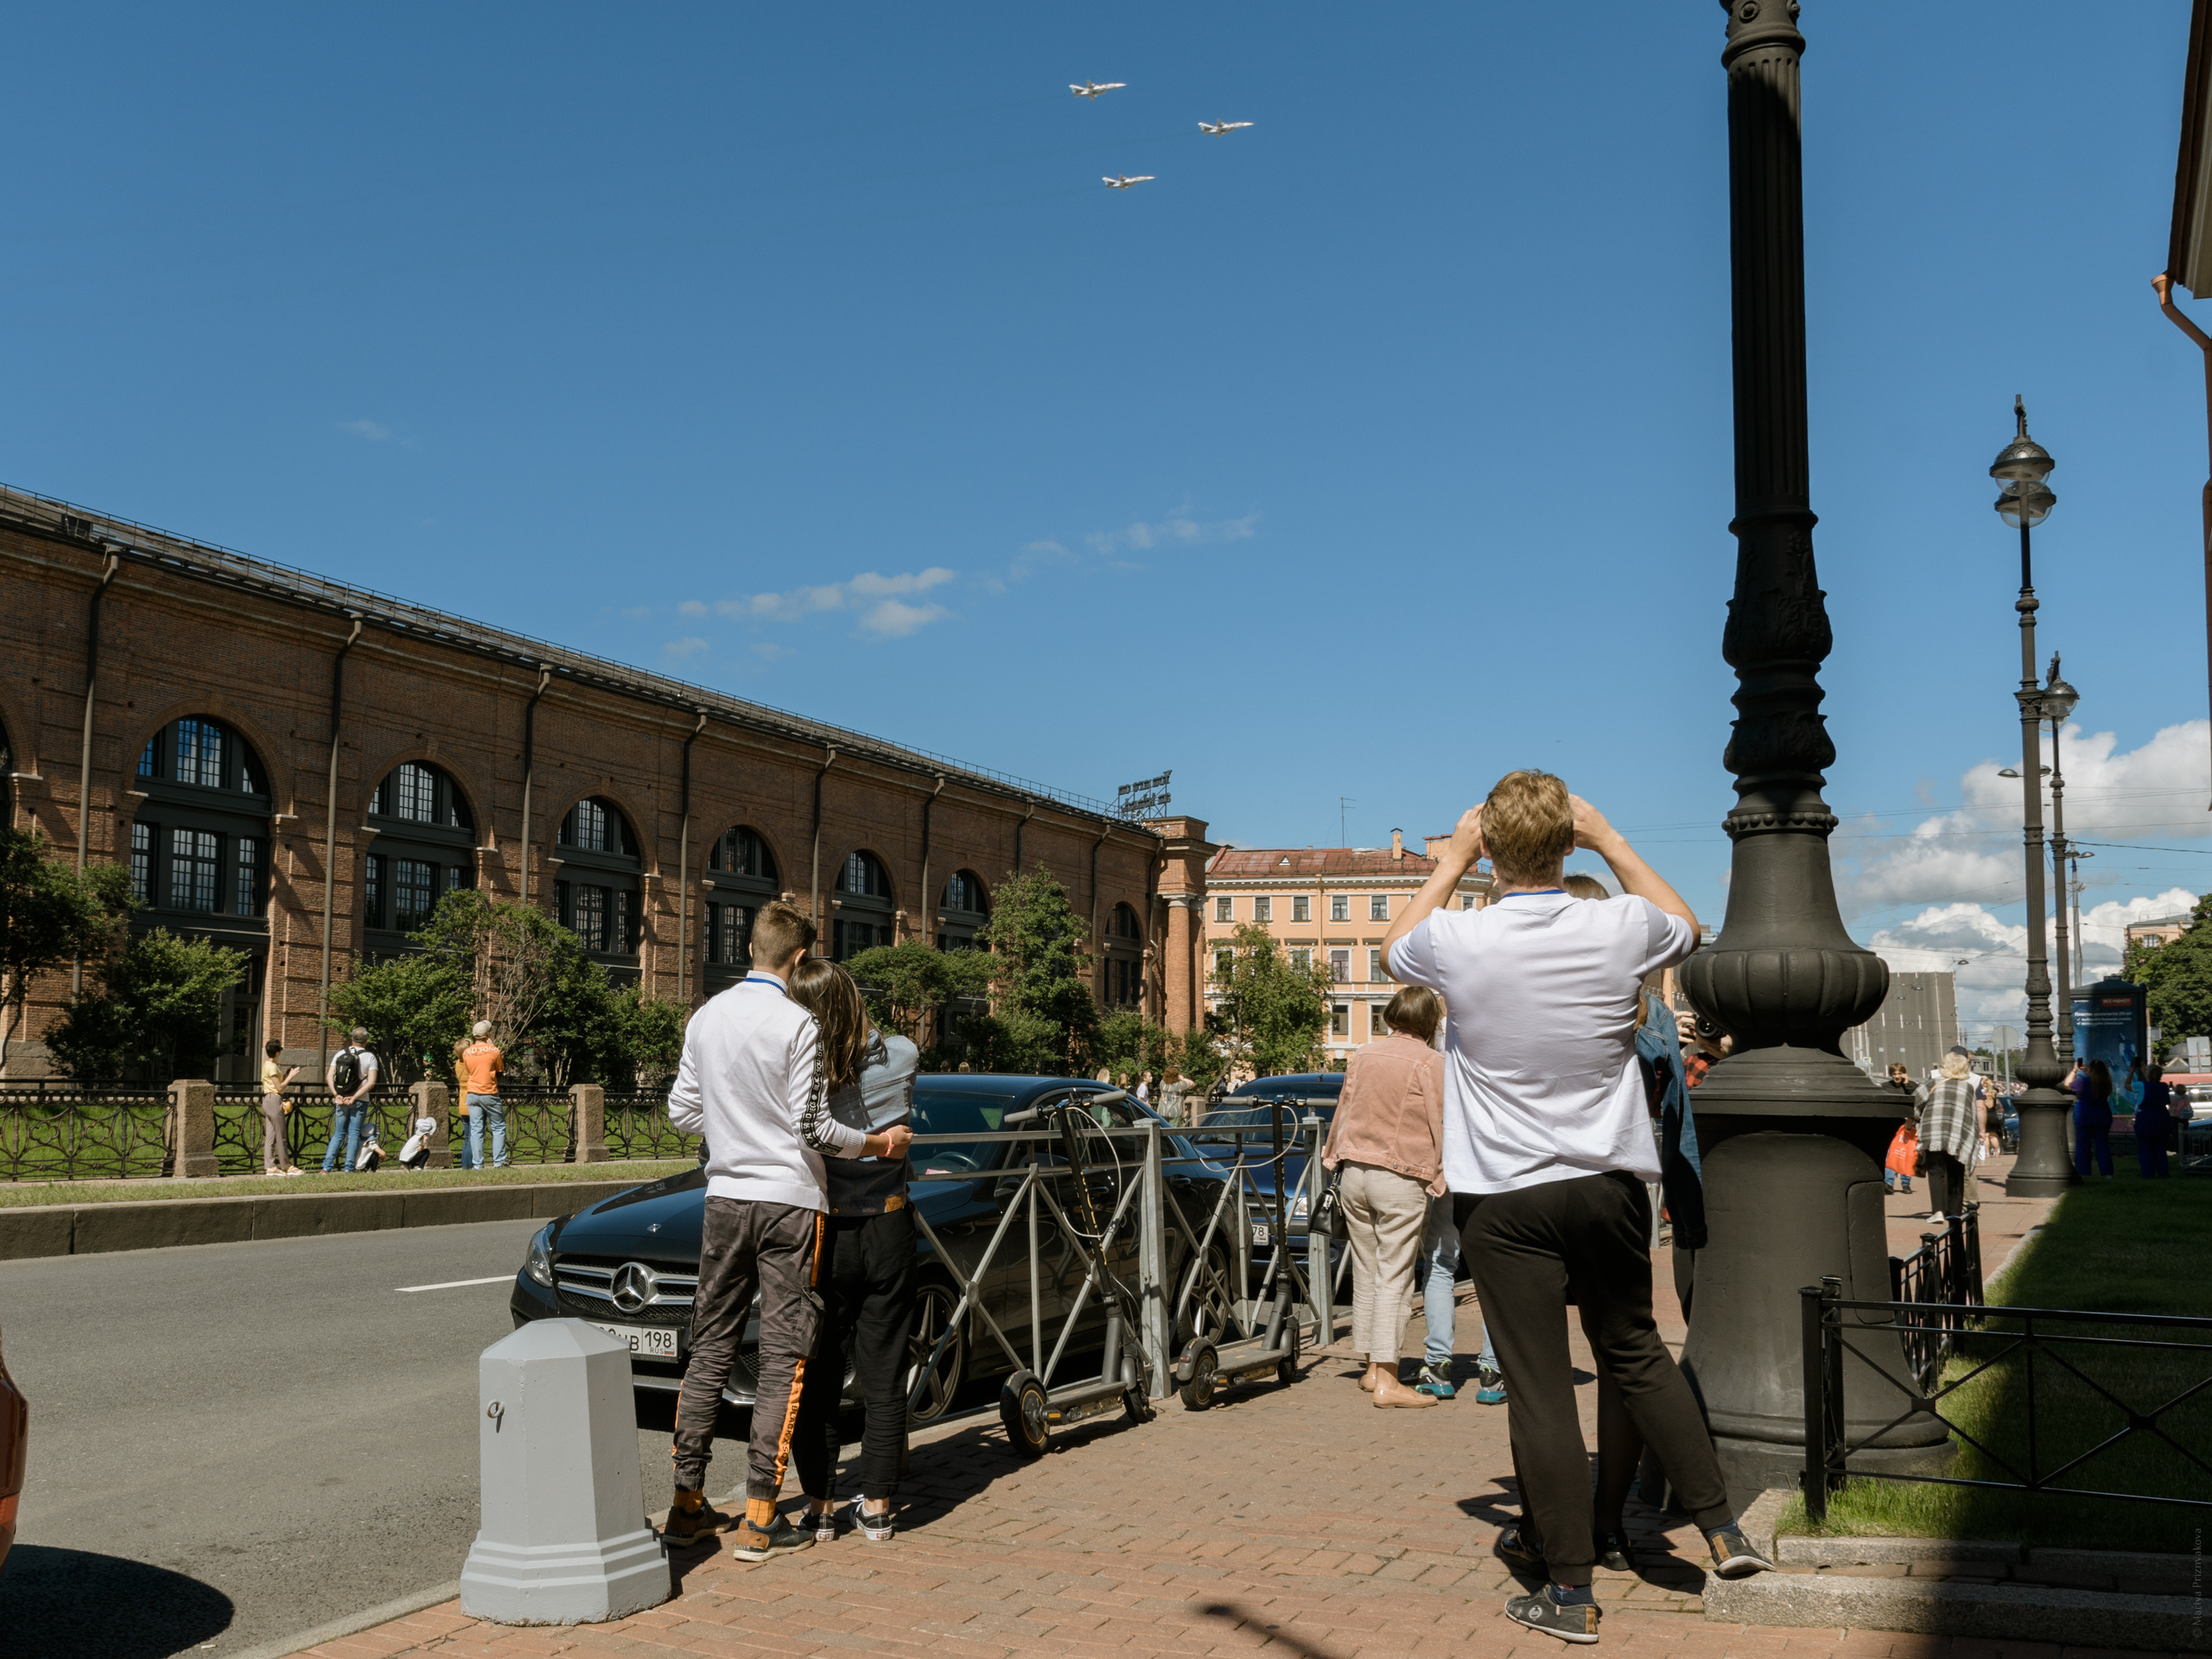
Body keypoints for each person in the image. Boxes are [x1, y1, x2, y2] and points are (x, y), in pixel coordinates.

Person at [1382, 772, 1771, 1643]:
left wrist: (1449, 860)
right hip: (1608, 1184)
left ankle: (1569, 1592)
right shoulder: (1618, 926)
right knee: (1635, 1352)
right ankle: (1720, 1530)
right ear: (1568, 843)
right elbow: (1687, 926)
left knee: (1538, 1392)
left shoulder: (1459, 939)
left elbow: (1392, 949)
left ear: (1490, 847)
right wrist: (1613, 840)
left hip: (1504, 1194)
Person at [663, 900, 913, 1560]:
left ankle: (686, 1503)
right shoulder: (797, 1022)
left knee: (709, 1342)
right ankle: (759, 1514)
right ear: (799, 957)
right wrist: (880, 1145)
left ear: (751, 946)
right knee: (783, 1353)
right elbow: (814, 1130)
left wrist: (732, 1124)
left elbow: (681, 1110)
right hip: (789, 1201)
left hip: (724, 1196)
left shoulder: (706, 1015)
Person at [785, 959, 922, 1543]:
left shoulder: (801, 1072)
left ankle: (819, 1508)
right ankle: (878, 1506)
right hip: (888, 1228)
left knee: (818, 1373)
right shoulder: (905, 1055)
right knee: (884, 1373)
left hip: (826, 1232)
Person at [1321, 983, 1449, 1410]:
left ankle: (1372, 1368)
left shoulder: (1364, 1053)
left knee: (1368, 1269)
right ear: (1430, 1022)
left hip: (1354, 1171)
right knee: (1396, 1276)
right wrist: (1441, 1173)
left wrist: (1332, 1155)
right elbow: (1440, 1120)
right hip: (1400, 1175)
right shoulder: (1432, 1062)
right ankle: (1388, 1381)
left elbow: (1345, 1106)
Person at [1915, 1048, 1981, 1218]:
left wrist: (1916, 1119)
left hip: (1933, 1135)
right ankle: (1955, 1213)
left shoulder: (1933, 1083)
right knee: (1956, 1172)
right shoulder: (1967, 1088)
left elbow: (1915, 1102)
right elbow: (1971, 1114)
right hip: (1958, 1137)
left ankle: (1937, 1211)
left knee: (1936, 1172)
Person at [321, 1028, 378, 1173]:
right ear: (366, 1040)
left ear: (351, 1038)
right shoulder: (370, 1057)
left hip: (340, 1099)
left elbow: (329, 1076)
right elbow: (371, 1082)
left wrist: (336, 1094)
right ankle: (349, 1168)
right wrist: (354, 1097)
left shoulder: (340, 1053)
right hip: (360, 1100)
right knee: (353, 1133)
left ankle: (326, 1168)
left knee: (338, 1133)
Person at [460, 1021, 507, 1169]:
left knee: (476, 1129)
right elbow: (500, 1072)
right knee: (498, 1127)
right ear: (487, 1035)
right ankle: (498, 1162)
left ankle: (478, 1165)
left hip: (472, 1094)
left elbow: (470, 1072)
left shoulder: (466, 1052)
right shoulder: (494, 1051)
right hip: (489, 1093)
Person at [260, 1040, 302, 1176]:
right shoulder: (271, 1067)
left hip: (268, 1099)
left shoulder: (267, 1064)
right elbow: (280, 1087)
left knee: (271, 1137)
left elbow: (277, 1082)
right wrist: (290, 1076)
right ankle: (287, 1166)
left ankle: (270, 1167)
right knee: (281, 1135)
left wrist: (286, 1074)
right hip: (274, 1101)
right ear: (277, 1053)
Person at [2074, 1058, 2116, 1179]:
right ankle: (2107, 1173)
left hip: (2084, 1115)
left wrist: (2075, 1071)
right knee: (2102, 1145)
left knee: (2083, 1145)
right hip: (2102, 1115)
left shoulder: (2083, 1081)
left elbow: (2067, 1084)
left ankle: (2083, 1172)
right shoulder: (2106, 1082)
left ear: (2090, 1069)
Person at [2130, 1062, 2173, 1179]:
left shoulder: (2141, 1085)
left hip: (2146, 1119)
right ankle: (2163, 1173)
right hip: (2162, 1119)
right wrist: (2146, 1071)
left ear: (2148, 1074)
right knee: (2161, 1148)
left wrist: (2132, 1071)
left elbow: (2128, 1086)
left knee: (2146, 1148)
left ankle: (2148, 1174)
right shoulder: (2164, 1086)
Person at [1881, 1065, 1917, 1195]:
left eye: (1899, 1074)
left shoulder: (1912, 1086)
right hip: (1892, 1124)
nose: (1897, 1076)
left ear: (1904, 1074)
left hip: (1908, 1124)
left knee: (1908, 1154)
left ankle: (1906, 1184)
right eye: (1894, 1074)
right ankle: (1888, 1183)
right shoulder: (1885, 1087)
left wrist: (1907, 1084)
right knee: (1892, 1154)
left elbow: (1916, 1100)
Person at [450, 1038, 474, 1170]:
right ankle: (467, 1165)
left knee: (467, 1138)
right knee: (472, 1138)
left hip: (462, 1104)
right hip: (472, 1102)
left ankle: (465, 1165)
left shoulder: (457, 1064)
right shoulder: (470, 1065)